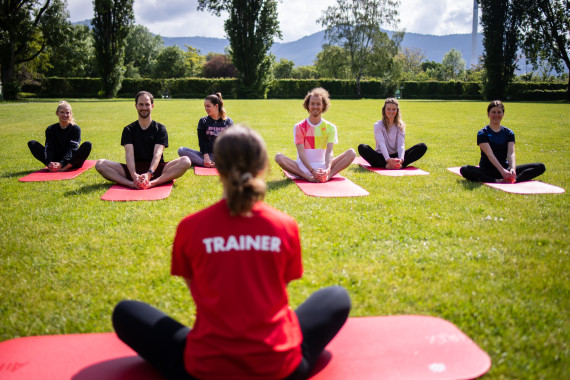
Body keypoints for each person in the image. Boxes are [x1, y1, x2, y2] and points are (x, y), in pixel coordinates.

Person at [112, 125, 351, 380]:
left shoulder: (191, 227)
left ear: (219, 169)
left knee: (126, 313)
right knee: (337, 297)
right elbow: (279, 288)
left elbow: (197, 292)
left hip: (206, 369)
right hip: (278, 367)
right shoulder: (284, 226)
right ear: (262, 168)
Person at [95, 91, 191, 189]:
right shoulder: (128, 129)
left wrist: (149, 174)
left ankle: (152, 183)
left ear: (152, 106)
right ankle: (131, 183)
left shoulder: (160, 129)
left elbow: (157, 155)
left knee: (186, 161)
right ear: (136, 106)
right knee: (100, 164)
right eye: (141, 104)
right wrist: (134, 175)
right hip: (133, 169)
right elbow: (129, 155)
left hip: (156, 170)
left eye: (147, 104)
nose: (144, 108)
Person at [275, 87, 356, 183]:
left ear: (323, 106)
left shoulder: (330, 127)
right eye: (312, 104)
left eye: (318, 104)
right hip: (303, 167)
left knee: (352, 153)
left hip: (323, 166)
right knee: (278, 157)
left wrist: (327, 169)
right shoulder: (299, 126)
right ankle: (307, 177)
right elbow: (301, 153)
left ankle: (327, 177)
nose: (315, 107)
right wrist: (312, 172)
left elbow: (329, 152)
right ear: (308, 105)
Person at [460, 100, 545, 183]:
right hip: (488, 170)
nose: (496, 115)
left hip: (506, 169)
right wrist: (502, 171)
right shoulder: (482, 133)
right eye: (493, 112)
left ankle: (514, 179)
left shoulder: (509, 133)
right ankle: (497, 180)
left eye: (499, 112)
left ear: (503, 114)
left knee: (540, 166)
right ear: (488, 114)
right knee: (465, 169)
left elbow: (511, 153)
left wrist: (512, 169)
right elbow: (490, 155)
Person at [358, 98, 427, 169]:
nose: (391, 111)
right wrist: (388, 160)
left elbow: (401, 145)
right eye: (388, 109)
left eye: (394, 109)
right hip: (381, 156)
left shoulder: (400, 125)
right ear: (384, 110)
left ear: (397, 111)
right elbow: (382, 144)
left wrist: (400, 159)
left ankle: (399, 165)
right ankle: (386, 165)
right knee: (362, 147)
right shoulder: (378, 125)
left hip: (396, 156)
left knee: (422, 146)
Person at [27, 101, 92, 171]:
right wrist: (49, 162)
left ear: (71, 114)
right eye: (62, 112)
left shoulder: (75, 129)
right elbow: (49, 148)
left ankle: (64, 168)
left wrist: (62, 164)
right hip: (55, 160)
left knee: (87, 144)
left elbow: (72, 149)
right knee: (32, 143)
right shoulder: (50, 129)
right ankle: (51, 167)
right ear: (57, 113)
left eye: (67, 113)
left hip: (71, 162)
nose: (65, 115)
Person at [178, 92, 233, 168]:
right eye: (205, 106)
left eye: (208, 106)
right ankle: (210, 164)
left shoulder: (228, 121)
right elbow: (202, 141)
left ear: (216, 106)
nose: (206, 109)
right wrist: (206, 156)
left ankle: (217, 164)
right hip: (208, 155)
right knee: (181, 150)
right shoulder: (203, 121)